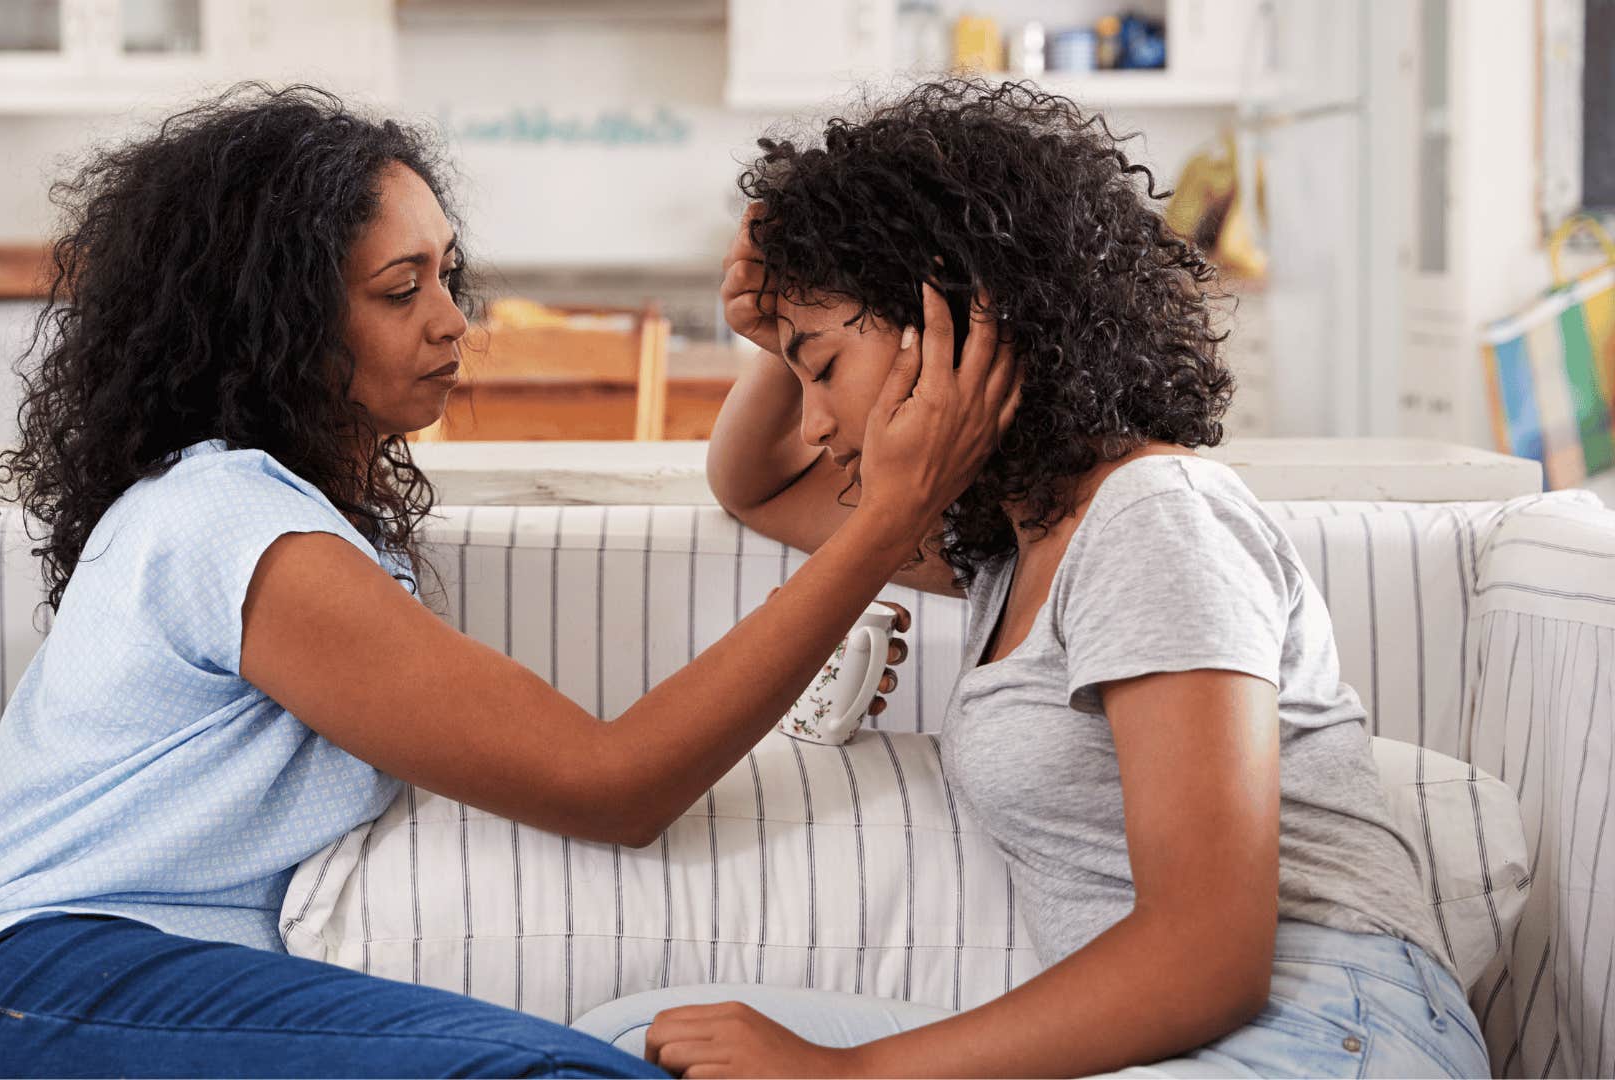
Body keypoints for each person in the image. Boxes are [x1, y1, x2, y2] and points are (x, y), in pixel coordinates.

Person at [0, 85, 1015, 1078]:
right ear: (269, 323)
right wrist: (888, 517)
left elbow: (749, 490)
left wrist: (772, 356)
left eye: (448, 275)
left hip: (90, 993)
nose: (453, 323)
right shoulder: (230, 524)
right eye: (400, 291)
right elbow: (613, 784)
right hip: (2, 991)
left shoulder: (296, 520)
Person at [573, 78, 1491, 1078]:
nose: (815, 424)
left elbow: (1210, 960)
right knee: (641, 1045)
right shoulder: (1010, 549)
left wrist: (852, 1073)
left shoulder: (1153, 518)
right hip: (1211, 1037)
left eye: (826, 371)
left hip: (1327, 1029)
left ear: (961, 320)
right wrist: (786, 336)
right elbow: (753, 485)